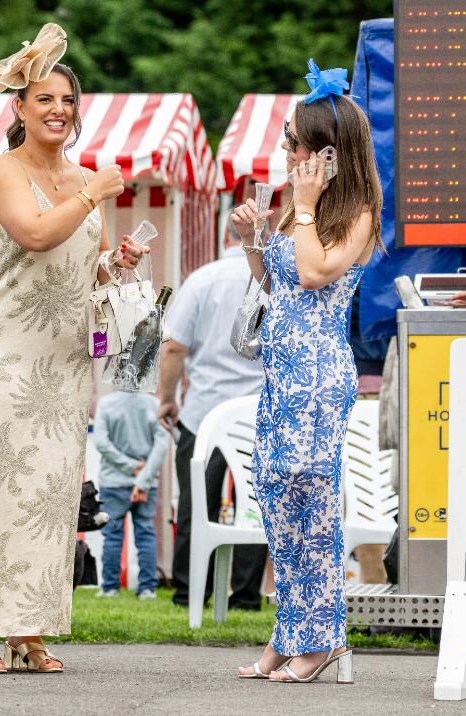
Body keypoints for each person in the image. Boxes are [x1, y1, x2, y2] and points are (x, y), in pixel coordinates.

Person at [0, 23, 150, 674]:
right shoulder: (0, 172)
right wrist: (94, 194)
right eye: (45, 100)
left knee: (50, 499)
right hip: (4, 357)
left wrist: (119, 264)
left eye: (67, 101)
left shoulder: (84, 180)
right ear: (20, 109)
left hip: (62, 365)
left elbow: (81, 274)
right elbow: (32, 235)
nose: (59, 110)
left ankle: (29, 628)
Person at [233, 60, 383, 684]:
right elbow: (277, 285)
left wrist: (299, 206)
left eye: (293, 140)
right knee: (275, 500)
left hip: (318, 374)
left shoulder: (356, 212)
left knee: (311, 503)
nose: (285, 148)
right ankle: (289, 631)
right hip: (280, 370)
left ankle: (323, 639)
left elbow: (319, 273)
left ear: (323, 153)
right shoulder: (304, 209)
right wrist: (251, 240)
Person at [159, 217, 266, 610]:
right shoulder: (273, 279)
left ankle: (190, 589)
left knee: (195, 502)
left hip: (204, 410)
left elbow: (174, 348)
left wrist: (166, 398)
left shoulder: (202, 279)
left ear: (224, 235)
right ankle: (246, 595)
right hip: (257, 411)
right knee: (254, 505)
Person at [94, 391, 168, 600]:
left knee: (112, 535)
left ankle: (109, 588)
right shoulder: (155, 404)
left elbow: (101, 442)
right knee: (145, 534)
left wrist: (129, 466)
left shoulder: (106, 403)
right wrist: (143, 477)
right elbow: (161, 446)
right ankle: (147, 588)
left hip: (113, 481)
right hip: (147, 483)